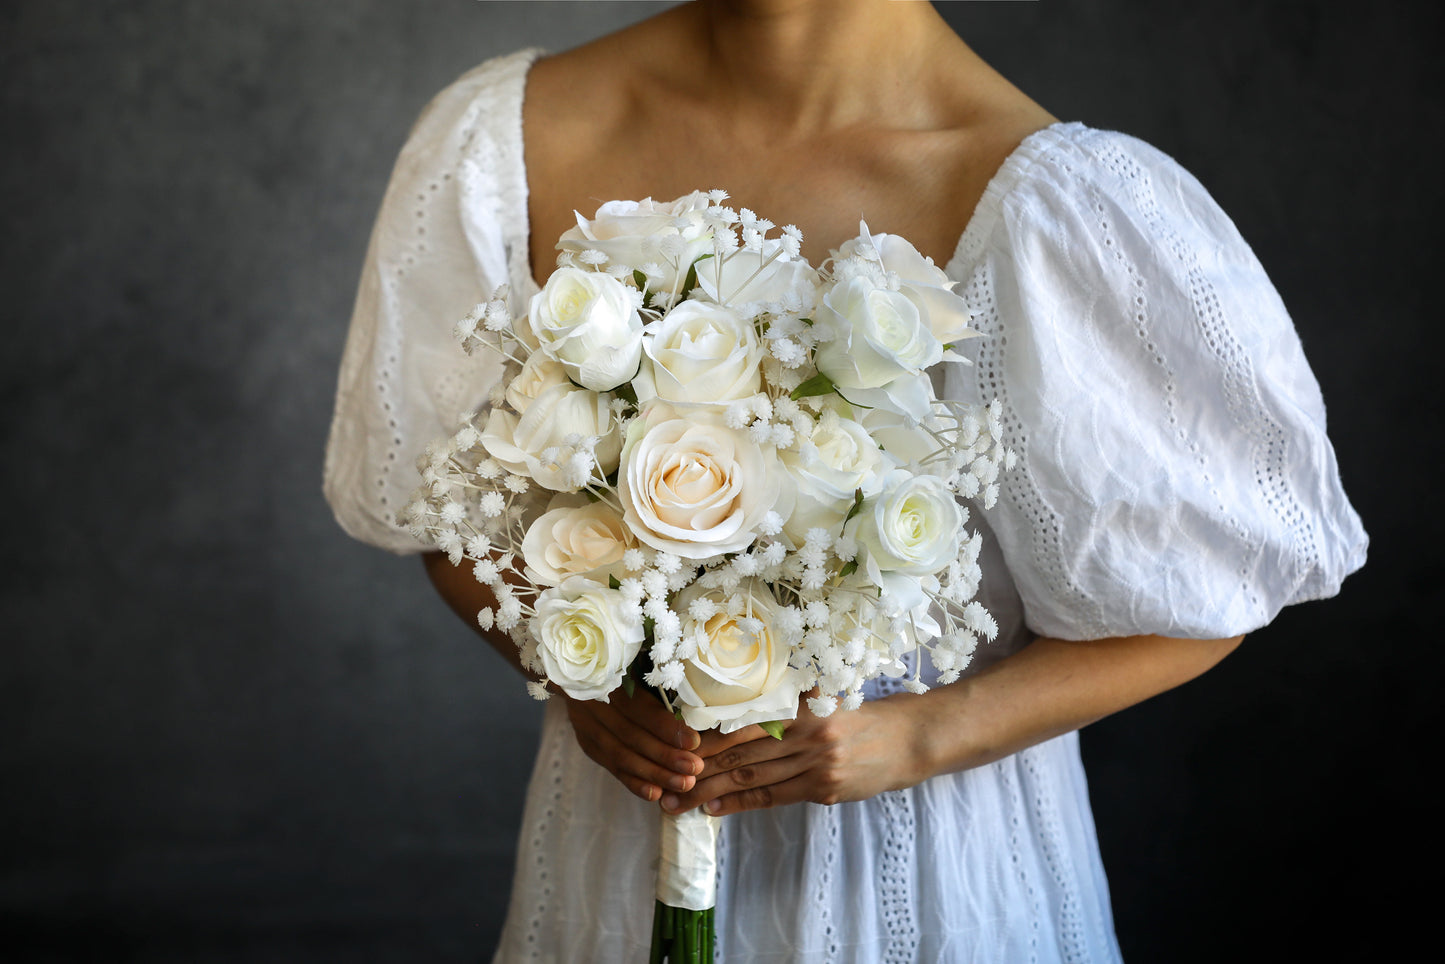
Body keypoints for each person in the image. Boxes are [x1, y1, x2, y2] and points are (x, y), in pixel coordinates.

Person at [323, 1, 1368, 960]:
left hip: (935, 877)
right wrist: (578, 668)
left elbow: (1206, 598)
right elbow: (440, 507)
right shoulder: (509, 133)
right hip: (616, 852)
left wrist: (917, 733)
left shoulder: (1054, 199)